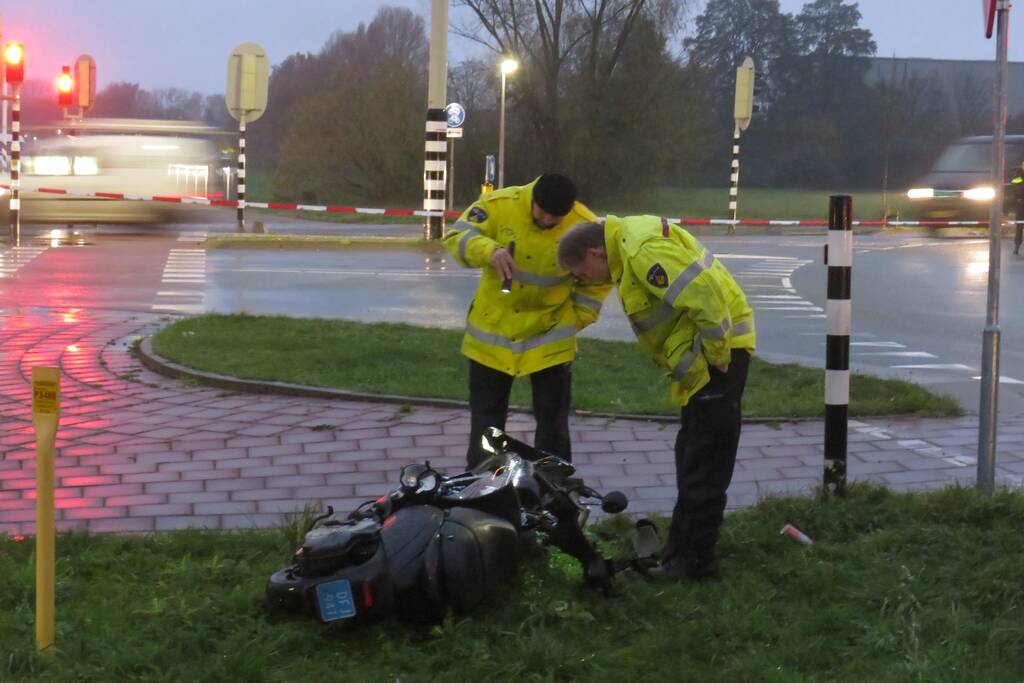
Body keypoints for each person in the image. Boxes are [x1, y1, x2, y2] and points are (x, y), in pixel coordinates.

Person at [557, 216, 756, 581]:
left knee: (704, 464)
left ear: (594, 252)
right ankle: (679, 551)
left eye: (582, 273)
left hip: (715, 358)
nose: (585, 281)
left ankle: (694, 563)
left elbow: (706, 297)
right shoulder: (631, 245)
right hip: (705, 359)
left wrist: (718, 356)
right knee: (692, 455)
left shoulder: (642, 251)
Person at [443, 173, 612, 468]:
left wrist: (576, 319)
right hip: (492, 335)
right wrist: (489, 251)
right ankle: (482, 485)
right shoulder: (499, 205)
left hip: (550, 338)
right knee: (486, 422)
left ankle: (553, 492)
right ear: (532, 198)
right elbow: (456, 238)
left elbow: (598, 280)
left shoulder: (584, 225)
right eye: (543, 212)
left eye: (556, 218)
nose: (548, 220)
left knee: (553, 424)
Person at [1011, 161, 1024, 256]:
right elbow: (1015, 186)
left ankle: (1016, 247)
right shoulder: (1018, 176)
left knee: (1019, 226)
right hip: (1021, 204)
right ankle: (1016, 246)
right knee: (1019, 226)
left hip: (1020, 204)